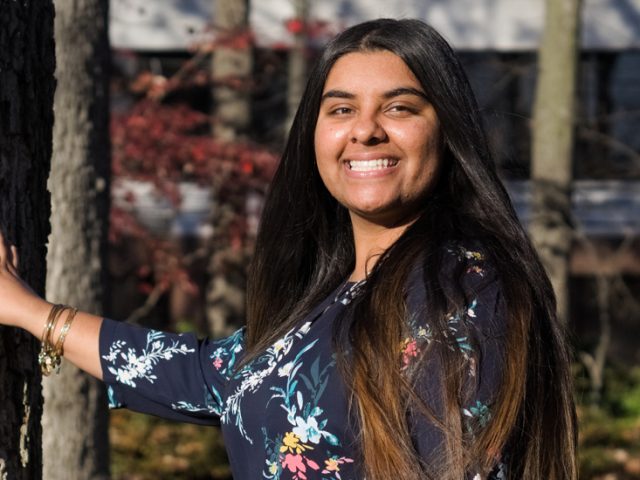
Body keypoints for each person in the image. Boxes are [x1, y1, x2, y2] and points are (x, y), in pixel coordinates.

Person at [0, 18, 577, 480]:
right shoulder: (328, 301)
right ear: (315, 134)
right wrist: (29, 310)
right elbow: (203, 375)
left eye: (399, 107)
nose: (366, 130)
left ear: (446, 132)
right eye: (342, 109)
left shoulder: (465, 288)